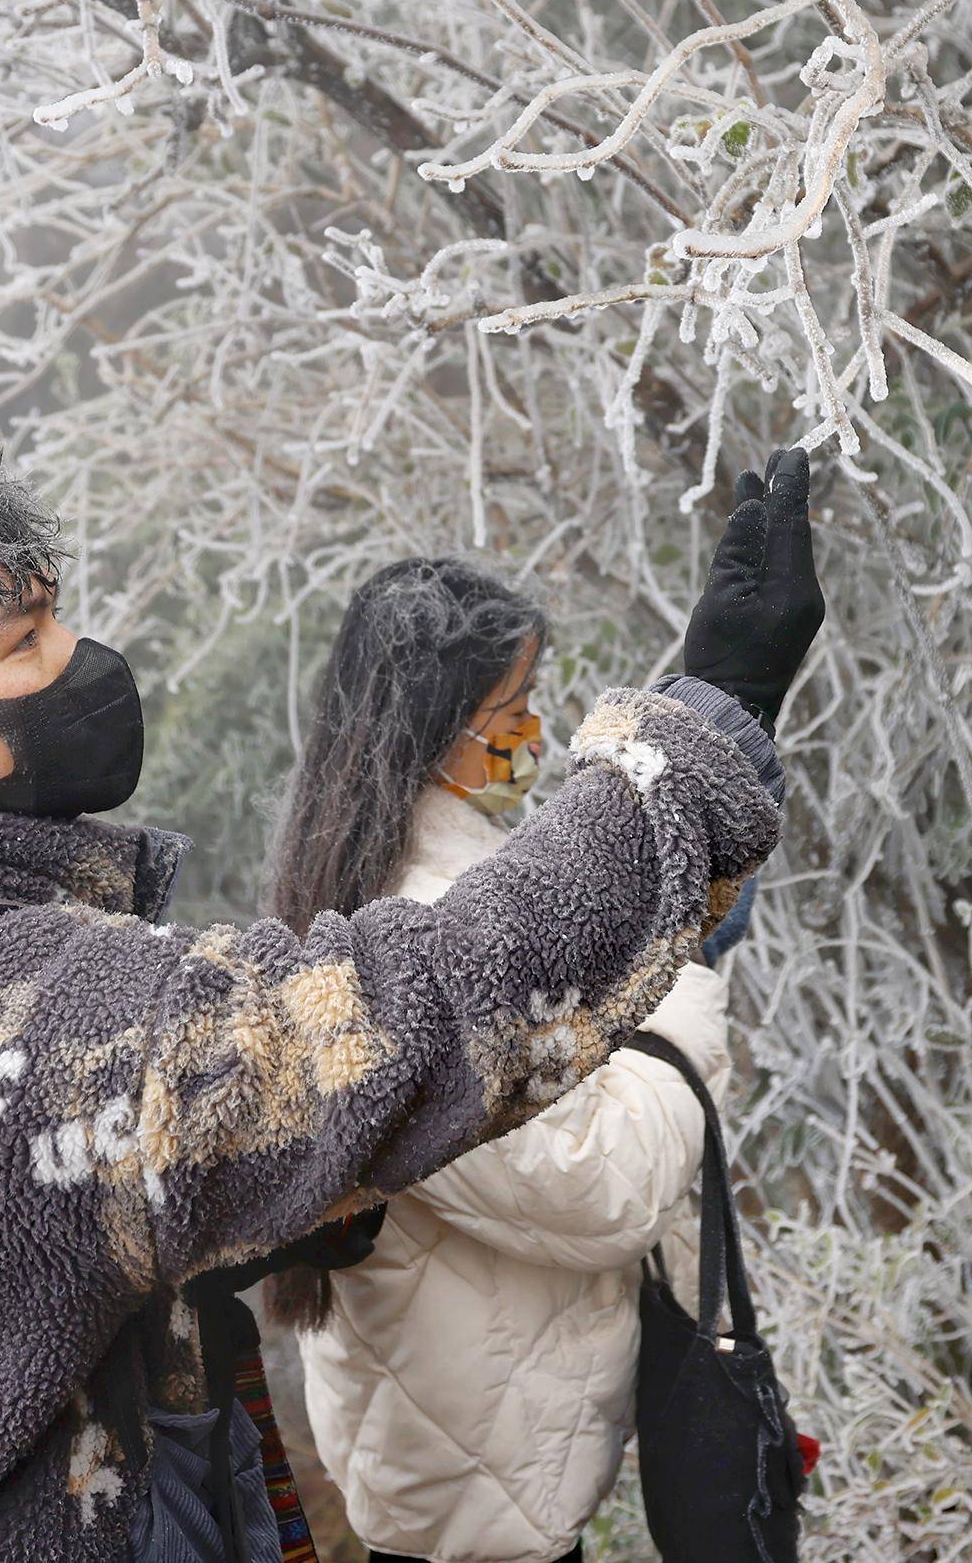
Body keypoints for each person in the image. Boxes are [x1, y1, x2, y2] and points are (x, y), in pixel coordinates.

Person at [0, 437, 824, 1561]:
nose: (78, 660)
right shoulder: (2, 1025)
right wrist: (702, 723)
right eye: (24, 643)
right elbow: (420, 1008)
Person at [261, 539, 799, 1563]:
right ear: (428, 738)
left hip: (472, 1464)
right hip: (472, 1500)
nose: (536, 738)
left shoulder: (382, 885)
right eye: (510, 717)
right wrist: (677, 984)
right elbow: (604, 1183)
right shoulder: (415, 946)